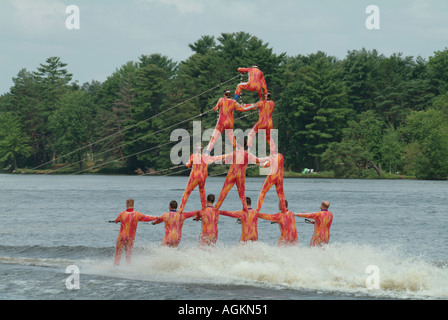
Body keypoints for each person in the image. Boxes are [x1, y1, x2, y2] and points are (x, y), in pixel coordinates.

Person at [214, 139, 263, 211]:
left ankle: (215, 209)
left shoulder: (233, 153)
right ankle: (246, 211)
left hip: (231, 175)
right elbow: (258, 162)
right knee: (242, 194)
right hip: (240, 176)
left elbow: (225, 161)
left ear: (239, 145)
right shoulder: (248, 155)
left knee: (224, 192)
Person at [179, 143, 225, 213]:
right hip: (202, 178)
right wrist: (227, 155)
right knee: (202, 191)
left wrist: (187, 164)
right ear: (202, 150)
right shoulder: (206, 157)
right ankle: (204, 209)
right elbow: (217, 158)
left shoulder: (193, 156)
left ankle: (180, 211)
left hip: (195, 177)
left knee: (186, 193)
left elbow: (188, 165)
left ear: (196, 149)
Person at [113, 199, 158, 265]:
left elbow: (116, 220)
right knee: (128, 254)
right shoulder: (137, 214)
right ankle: (128, 266)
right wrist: (157, 217)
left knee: (118, 252)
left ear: (126, 205)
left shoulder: (122, 213)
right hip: (130, 237)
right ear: (133, 205)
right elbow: (147, 218)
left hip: (122, 236)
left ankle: (116, 265)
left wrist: (116, 221)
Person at [204, 89, 239, 155]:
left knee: (214, 137)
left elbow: (216, 108)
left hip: (222, 122)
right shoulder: (233, 102)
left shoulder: (221, 100)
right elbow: (241, 108)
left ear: (224, 94)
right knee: (231, 136)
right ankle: (237, 149)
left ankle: (207, 152)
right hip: (230, 123)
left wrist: (213, 108)